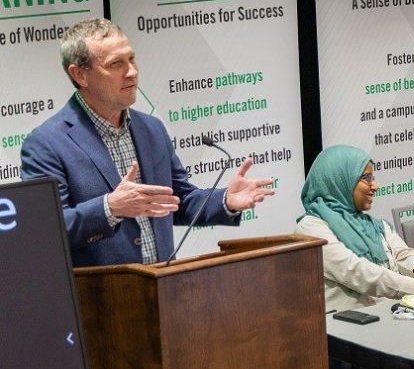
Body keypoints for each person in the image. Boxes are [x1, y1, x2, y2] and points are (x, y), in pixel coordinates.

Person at [20, 18, 273, 267]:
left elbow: (178, 200)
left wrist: (225, 200)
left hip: (163, 290)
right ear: (80, 75)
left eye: (131, 59)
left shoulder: (151, 129)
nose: (131, 71)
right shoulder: (46, 144)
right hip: (99, 300)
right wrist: (110, 208)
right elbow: (48, 233)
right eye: (116, 64)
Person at [295, 145, 414, 312]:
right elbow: (355, 271)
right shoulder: (310, 228)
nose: (375, 186)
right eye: (366, 178)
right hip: (344, 327)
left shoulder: (374, 224)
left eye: (372, 177)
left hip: (388, 317)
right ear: (340, 179)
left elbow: (402, 254)